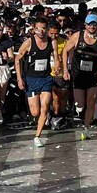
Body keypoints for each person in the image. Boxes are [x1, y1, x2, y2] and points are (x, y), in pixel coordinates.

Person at [62, 14, 97, 140]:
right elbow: (65, 51)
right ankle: (79, 111)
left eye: (94, 24)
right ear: (85, 25)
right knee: (80, 104)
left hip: (93, 75)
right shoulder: (77, 36)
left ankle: (86, 128)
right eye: (90, 24)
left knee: (91, 102)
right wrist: (65, 70)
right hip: (78, 74)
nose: (92, 26)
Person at [15, 18, 60, 147]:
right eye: (39, 28)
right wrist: (19, 78)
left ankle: (37, 136)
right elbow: (18, 59)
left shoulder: (52, 42)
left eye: (44, 28)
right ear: (34, 29)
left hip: (46, 78)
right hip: (31, 79)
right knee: (35, 112)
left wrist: (56, 67)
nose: (41, 31)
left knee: (45, 107)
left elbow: (56, 58)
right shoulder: (29, 42)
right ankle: (36, 119)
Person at [47, 21, 68, 130]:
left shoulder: (64, 42)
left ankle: (62, 116)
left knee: (62, 96)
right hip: (47, 73)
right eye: (51, 33)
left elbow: (68, 57)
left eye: (56, 33)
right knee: (53, 97)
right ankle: (53, 116)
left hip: (60, 73)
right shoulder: (44, 41)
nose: (54, 36)